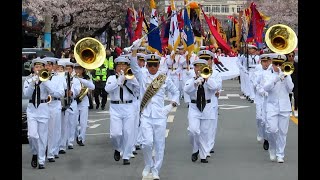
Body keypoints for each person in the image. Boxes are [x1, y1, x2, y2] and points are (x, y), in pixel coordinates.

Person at [129, 39, 180, 179]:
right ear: (146, 65)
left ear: (158, 65)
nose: (152, 67)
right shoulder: (142, 75)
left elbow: (176, 92)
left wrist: (170, 106)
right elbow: (133, 66)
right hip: (146, 115)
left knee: (159, 145)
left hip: (160, 116)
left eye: (154, 65)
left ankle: (156, 169)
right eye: (150, 65)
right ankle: (148, 164)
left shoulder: (164, 78)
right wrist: (135, 49)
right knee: (146, 143)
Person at [105, 56, 140, 165]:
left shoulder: (131, 77)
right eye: (119, 65)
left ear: (127, 67)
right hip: (115, 107)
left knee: (128, 132)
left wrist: (132, 79)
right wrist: (118, 81)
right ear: (116, 67)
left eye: (124, 65)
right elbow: (107, 89)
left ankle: (126, 156)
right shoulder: (111, 78)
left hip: (128, 106)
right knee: (116, 134)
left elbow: (138, 91)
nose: (121, 67)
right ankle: (118, 148)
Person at [23, 58, 55, 169]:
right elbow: (27, 95)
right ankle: (35, 153)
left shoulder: (47, 79)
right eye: (37, 67)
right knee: (32, 136)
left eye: (41, 67)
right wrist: (33, 83)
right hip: (32, 109)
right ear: (33, 68)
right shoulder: (28, 80)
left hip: (43, 108)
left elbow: (54, 91)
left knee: (42, 136)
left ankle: (41, 161)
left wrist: (44, 82)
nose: (39, 69)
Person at [263, 53, 294, 163]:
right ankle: (272, 147)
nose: (278, 66)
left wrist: (286, 76)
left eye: (280, 64)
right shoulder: (267, 74)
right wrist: (276, 78)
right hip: (272, 106)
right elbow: (266, 88)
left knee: (282, 132)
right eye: (276, 63)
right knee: (272, 130)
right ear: (272, 63)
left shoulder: (287, 73)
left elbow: (291, 89)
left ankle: (280, 154)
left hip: (285, 107)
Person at [42, 57, 66, 162]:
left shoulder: (59, 78)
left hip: (54, 104)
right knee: (43, 130)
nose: (47, 67)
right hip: (43, 105)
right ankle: (42, 150)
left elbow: (61, 93)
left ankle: (51, 152)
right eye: (45, 65)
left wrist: (52, 91)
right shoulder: (40, 77)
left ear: (54, 67)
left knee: (53, 130)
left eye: (49, 65)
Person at [252, 54, 272, 150]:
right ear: (261, 62)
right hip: (260, 98)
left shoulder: (272, 72)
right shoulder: (258, 72)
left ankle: (266, 139)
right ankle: (260, 133)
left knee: (266, 120)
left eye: (267, 61)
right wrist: (261, 91)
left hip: (270, 99)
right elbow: (255, 84)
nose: (266, 64)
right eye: (264, 62)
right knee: (259, 118)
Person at [286, 51, 298, 117]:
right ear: (287, 57)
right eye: (289, 56)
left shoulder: (297, 64)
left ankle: (296, 109)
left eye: (292, 56)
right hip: (288, 82)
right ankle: (289, 110)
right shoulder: (285, 64)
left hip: (296, 82)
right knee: (288, 97)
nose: (291, 57)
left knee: (296, 96)